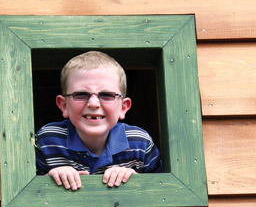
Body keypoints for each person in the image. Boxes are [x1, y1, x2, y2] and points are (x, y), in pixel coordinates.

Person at [35, 51, 162, 191]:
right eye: (81, 94)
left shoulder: (139, 144)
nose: (93, 103)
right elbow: (26, 192)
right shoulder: (47, 140)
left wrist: (135, 179)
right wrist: (49, 179)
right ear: (64, 105)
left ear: (123, 107)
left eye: (106, 95)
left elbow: (163, 191)